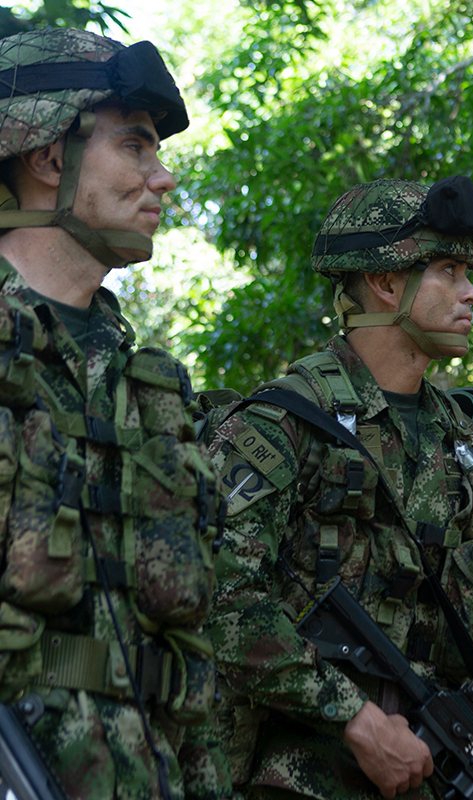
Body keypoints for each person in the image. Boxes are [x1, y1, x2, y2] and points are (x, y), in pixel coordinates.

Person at [203, 177, 473, 800]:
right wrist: (352, 717)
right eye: (449, 271)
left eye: (468, 273)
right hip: (307, 775)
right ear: (385, 283)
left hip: (444, 769)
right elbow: (221, 596)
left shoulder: (459, 439)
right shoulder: (283, 421)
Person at [0, 28, 229, 800]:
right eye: (135, 145)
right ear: (48, 156)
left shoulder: (151, 388)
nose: (163, 177)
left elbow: (184, 657)